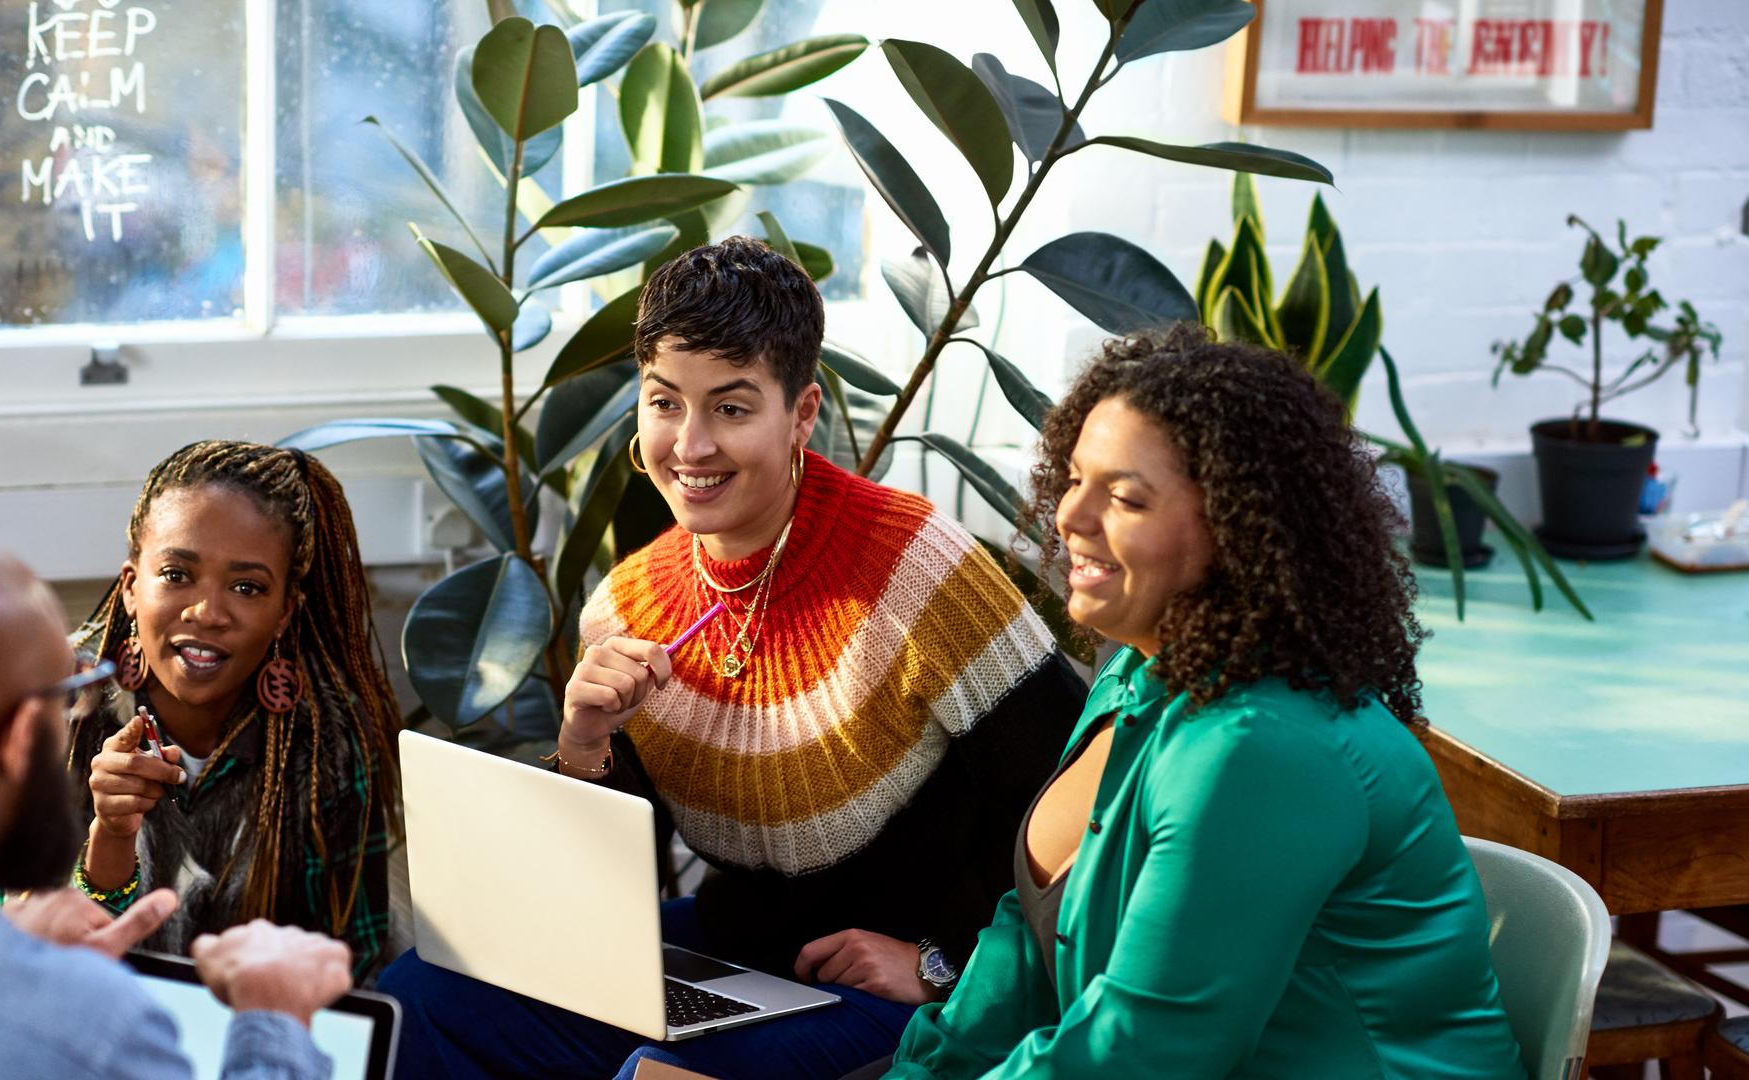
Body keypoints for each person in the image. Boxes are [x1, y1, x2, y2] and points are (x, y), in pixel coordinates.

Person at [378, 237, 1087, 1080]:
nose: (692, 444)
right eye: (665, 402)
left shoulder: (918, 569)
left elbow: (1081, 814)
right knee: (417, 993)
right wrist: (584, 745)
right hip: (735, 959)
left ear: (803, 413)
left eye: (733, 407)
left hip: (904, 986)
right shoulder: (628, 604)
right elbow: (607, 901)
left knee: (658, 1076)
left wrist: (943, 964)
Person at [886, 327, 1527, 1080]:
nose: (1071, 516)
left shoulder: (1262, 746)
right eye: (1074, 477)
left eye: (1125, 497)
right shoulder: (1137, 671)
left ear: (1238, 526)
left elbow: (1145, 1053)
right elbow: (1025, 949)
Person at [0, 529, 356, 1079]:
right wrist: (275, 1021)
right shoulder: (94, 1030)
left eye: (246, 586)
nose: (207, 612)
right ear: (20, 735)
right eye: (66, 698)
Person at [66, 441, 403, 980]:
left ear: (283, 614)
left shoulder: (329, 743)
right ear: (131, 587)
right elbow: (18, 950)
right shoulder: (57, 707)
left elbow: (349, 966)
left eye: (247, 587)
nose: (207, 612)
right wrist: (109, 836)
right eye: (177, 574)